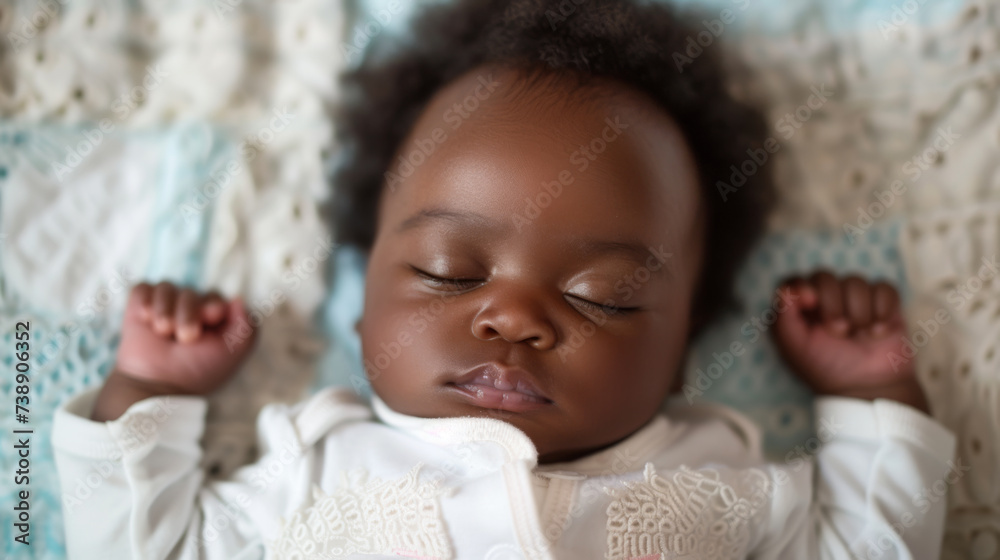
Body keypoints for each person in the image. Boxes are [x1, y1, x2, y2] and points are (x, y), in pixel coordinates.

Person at [53, 1, 956, 558]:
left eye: (603, 295)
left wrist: (875, 396)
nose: (515, 315)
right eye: (448, 273)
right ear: (363, 299)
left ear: (683, 348)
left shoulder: (724, 482)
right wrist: (150, 395)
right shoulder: (310, 471)